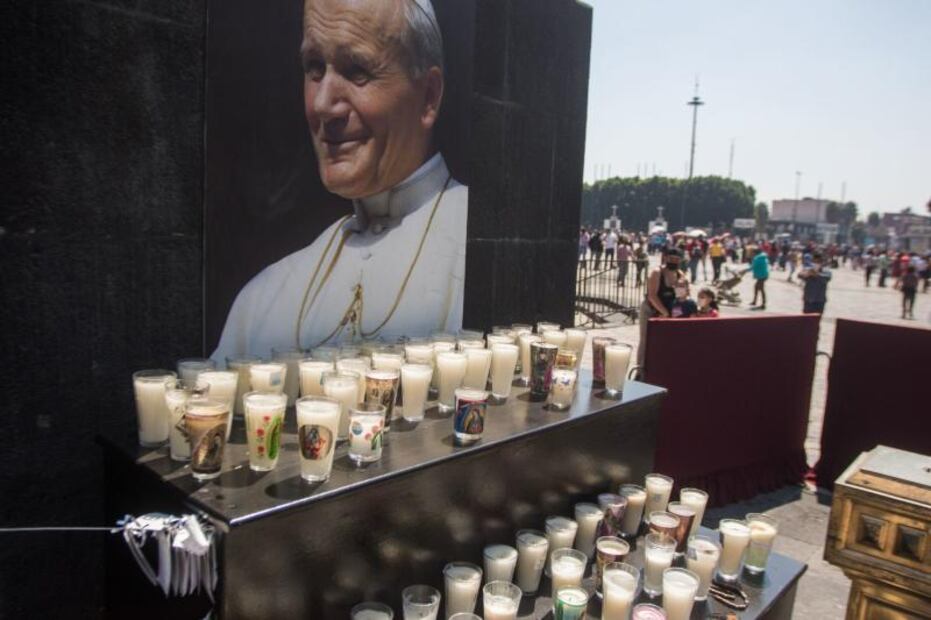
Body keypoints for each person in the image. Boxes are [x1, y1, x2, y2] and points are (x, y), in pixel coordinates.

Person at [212, 0, 468, 361]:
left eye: (357, 71)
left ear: (428, 97)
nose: (321, 104)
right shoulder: (262, 302)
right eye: (314, 68)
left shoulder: (478, 257)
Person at [637, 247, 687, 366]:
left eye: (677, 259)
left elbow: (681, 298)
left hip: (668, 311)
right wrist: (664, 312)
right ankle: (640, 370)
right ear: (665, 258)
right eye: (671, 258)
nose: (674, 261)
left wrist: (681, 287)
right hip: (651, 309)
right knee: (646, 340)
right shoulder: (657, 272)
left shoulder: (680, 275)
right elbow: (652, 295)